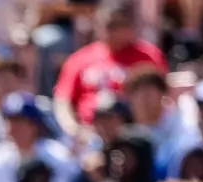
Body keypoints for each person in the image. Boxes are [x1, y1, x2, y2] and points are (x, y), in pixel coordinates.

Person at [51, 1, 168, 134]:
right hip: (89, 133)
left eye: (119, 25)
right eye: (109, 26)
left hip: (135, 132)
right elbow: (62, 101)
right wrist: (74, 130)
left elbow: (163, 98)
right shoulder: (79, 59)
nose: (114, 32)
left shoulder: (148, 56)